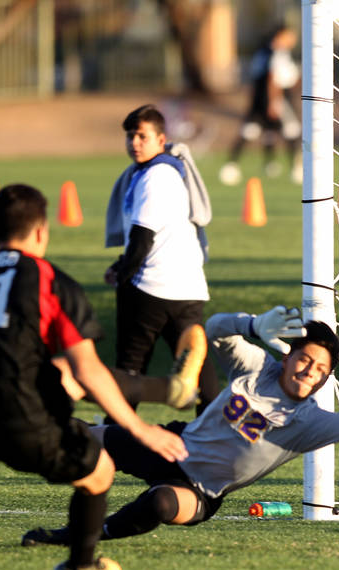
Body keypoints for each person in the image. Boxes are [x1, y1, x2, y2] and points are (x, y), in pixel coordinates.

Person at [20, 306, 339, 547]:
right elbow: (211, 330)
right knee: (79, 436)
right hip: (171, 444)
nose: (309, 372)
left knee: (162, 503)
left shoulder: (307, 424)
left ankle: (80, 537)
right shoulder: (257, 368)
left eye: (320, 371)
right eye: (304, 359)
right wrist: (250, 325)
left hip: (202, 491)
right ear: (288, 354)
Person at [0, 183, 191, 570]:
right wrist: (142, 431)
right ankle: (81, 564)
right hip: (27, 423)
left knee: (58, 376)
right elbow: (89, 369)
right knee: (100, 471)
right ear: (40, 232)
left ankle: (166, 389)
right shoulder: (49, 281)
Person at [105, 104, 219, 414]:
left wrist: (124, 278)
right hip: (187, 288)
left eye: (143, 136)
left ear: (161, 139)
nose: (135, 143)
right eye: (130, 136)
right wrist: (120, 264)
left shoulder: (155, 176)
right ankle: (213, 433)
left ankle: (114, 433)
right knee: (198, 366)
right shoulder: (156, 172)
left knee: (129, 367)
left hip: (152, 289)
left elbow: (143, 238)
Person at [218, 26, 301, 185]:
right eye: (289, 36)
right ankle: (296, 169)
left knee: (254, 130)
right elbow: (272, 79)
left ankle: (246, 164)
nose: (292, 40)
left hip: (259, 100)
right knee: (292, 131)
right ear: (279, 36)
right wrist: (274, 101)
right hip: (276, 98)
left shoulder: (263, 52)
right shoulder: (278, 54)